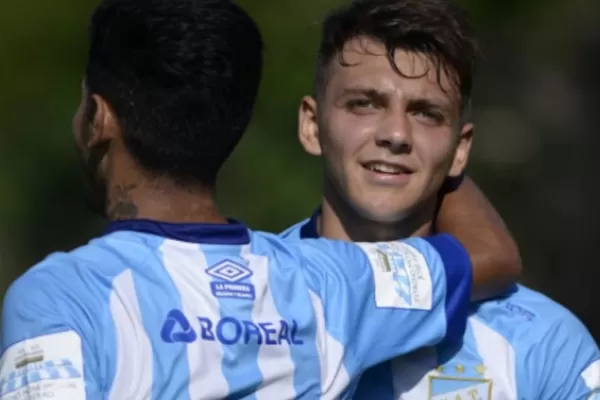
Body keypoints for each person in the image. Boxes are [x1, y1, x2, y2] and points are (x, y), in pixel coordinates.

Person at [0, 0, 519, 399]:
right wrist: (425, 146)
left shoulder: (57, 296)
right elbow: (491, 253)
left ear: (98, 118)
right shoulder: (329, 281)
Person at [282, 0, 600, 398]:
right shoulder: (245, 299)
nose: (396, 134)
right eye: (365, 104)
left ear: (460, 149)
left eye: (425, 113)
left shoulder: (545, 341)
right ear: (312, 126)